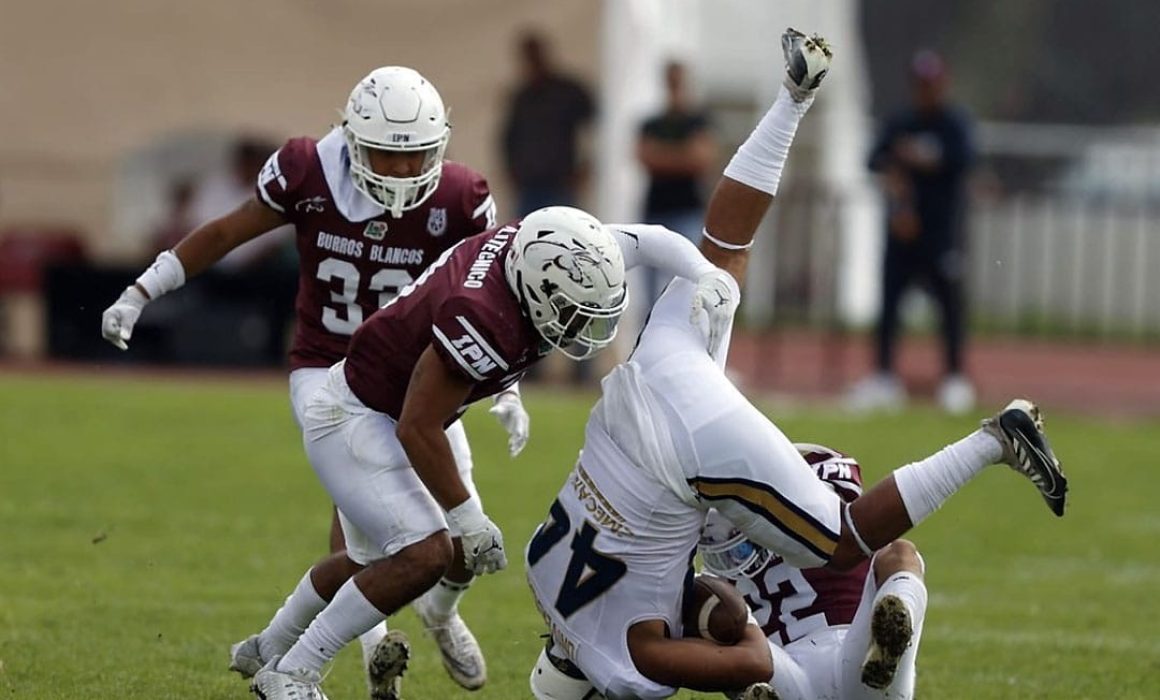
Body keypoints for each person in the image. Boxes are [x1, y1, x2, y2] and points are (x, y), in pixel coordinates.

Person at [525, 29, 1066, 700]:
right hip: (644, 383)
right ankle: (794, 94)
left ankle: (993, 442)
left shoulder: (626, 665)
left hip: (683, 453)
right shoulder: (540, 570)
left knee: (841, 542)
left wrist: (723, 616)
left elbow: (745, 655)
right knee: (724, 245)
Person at [100, 66, 513, 695]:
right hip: (328, 367)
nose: (405, 171)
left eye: (418, 156)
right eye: (388, 155)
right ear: (353, 141)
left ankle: (437, 614)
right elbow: (226, 232)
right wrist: (142, 289)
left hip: (415, 371)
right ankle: (351, 652)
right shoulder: (307, 171)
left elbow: (488, 295)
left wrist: (506, 387)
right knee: (379, 528)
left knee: (457, 538)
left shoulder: (460, 196)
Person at [224, 197, 735, 700]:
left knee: (367, 563)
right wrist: (468, 518)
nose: (584, 329)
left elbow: (651, 239)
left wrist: (705, 273)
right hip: (358, 416)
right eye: (573, 314)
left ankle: (267, 646)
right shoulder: (481, 313)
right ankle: (295, 672)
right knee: (426, 554)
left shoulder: (560, 251)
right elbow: (417, 426)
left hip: (387, 405)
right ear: (538, 293)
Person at [699, 444, 929, 700]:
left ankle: (748, 688)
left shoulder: (717, 581)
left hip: (785, 674)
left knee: (719, 618)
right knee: (900, 553)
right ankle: (897, 614)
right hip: (861, 662)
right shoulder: (840, 537)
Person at [847, 49, 977, 415]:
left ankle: (954, 378)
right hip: (902, 234)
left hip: (941, 234)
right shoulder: (900, 121)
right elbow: (873, 159)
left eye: (931, 83)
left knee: (949, 308)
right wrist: (894, 174)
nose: (926, 90)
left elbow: (963, 160)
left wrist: (918, 159)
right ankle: (884, 376)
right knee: (889, 306)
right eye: (920, 83)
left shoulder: (954, 124)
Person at [636, 60, 719, 301]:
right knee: (651, 287)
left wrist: (662, 156)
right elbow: (644, 157)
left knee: (689, 280)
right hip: (656, 209)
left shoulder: (698, 121)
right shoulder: (652, 123)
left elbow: (701, 160)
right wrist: (682, 155)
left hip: (687, 209)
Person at [500, 29, 596, 216]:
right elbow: (508, 139)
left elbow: (594, 128)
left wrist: (586, 165)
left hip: (561, 182)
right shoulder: (522, 97)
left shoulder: (568, 92)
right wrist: (511, 172)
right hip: (528, 185)